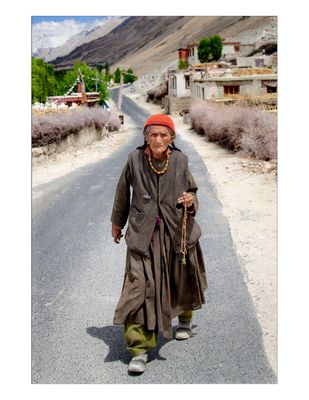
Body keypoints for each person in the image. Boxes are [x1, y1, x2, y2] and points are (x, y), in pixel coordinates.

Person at [110, 114, 207, 374]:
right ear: (145, 137)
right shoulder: (134, 160)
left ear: (172, 138)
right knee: (137, 288)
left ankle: (184, 321)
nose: (158, 139)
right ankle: (139, 348)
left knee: (181, 278)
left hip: (176, 231)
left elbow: (193, 192)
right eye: (153, 134)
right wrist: (117, 223)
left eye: (164, 135)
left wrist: (190, 200)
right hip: (143, 236)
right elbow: (122, 192)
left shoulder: (180, 160)